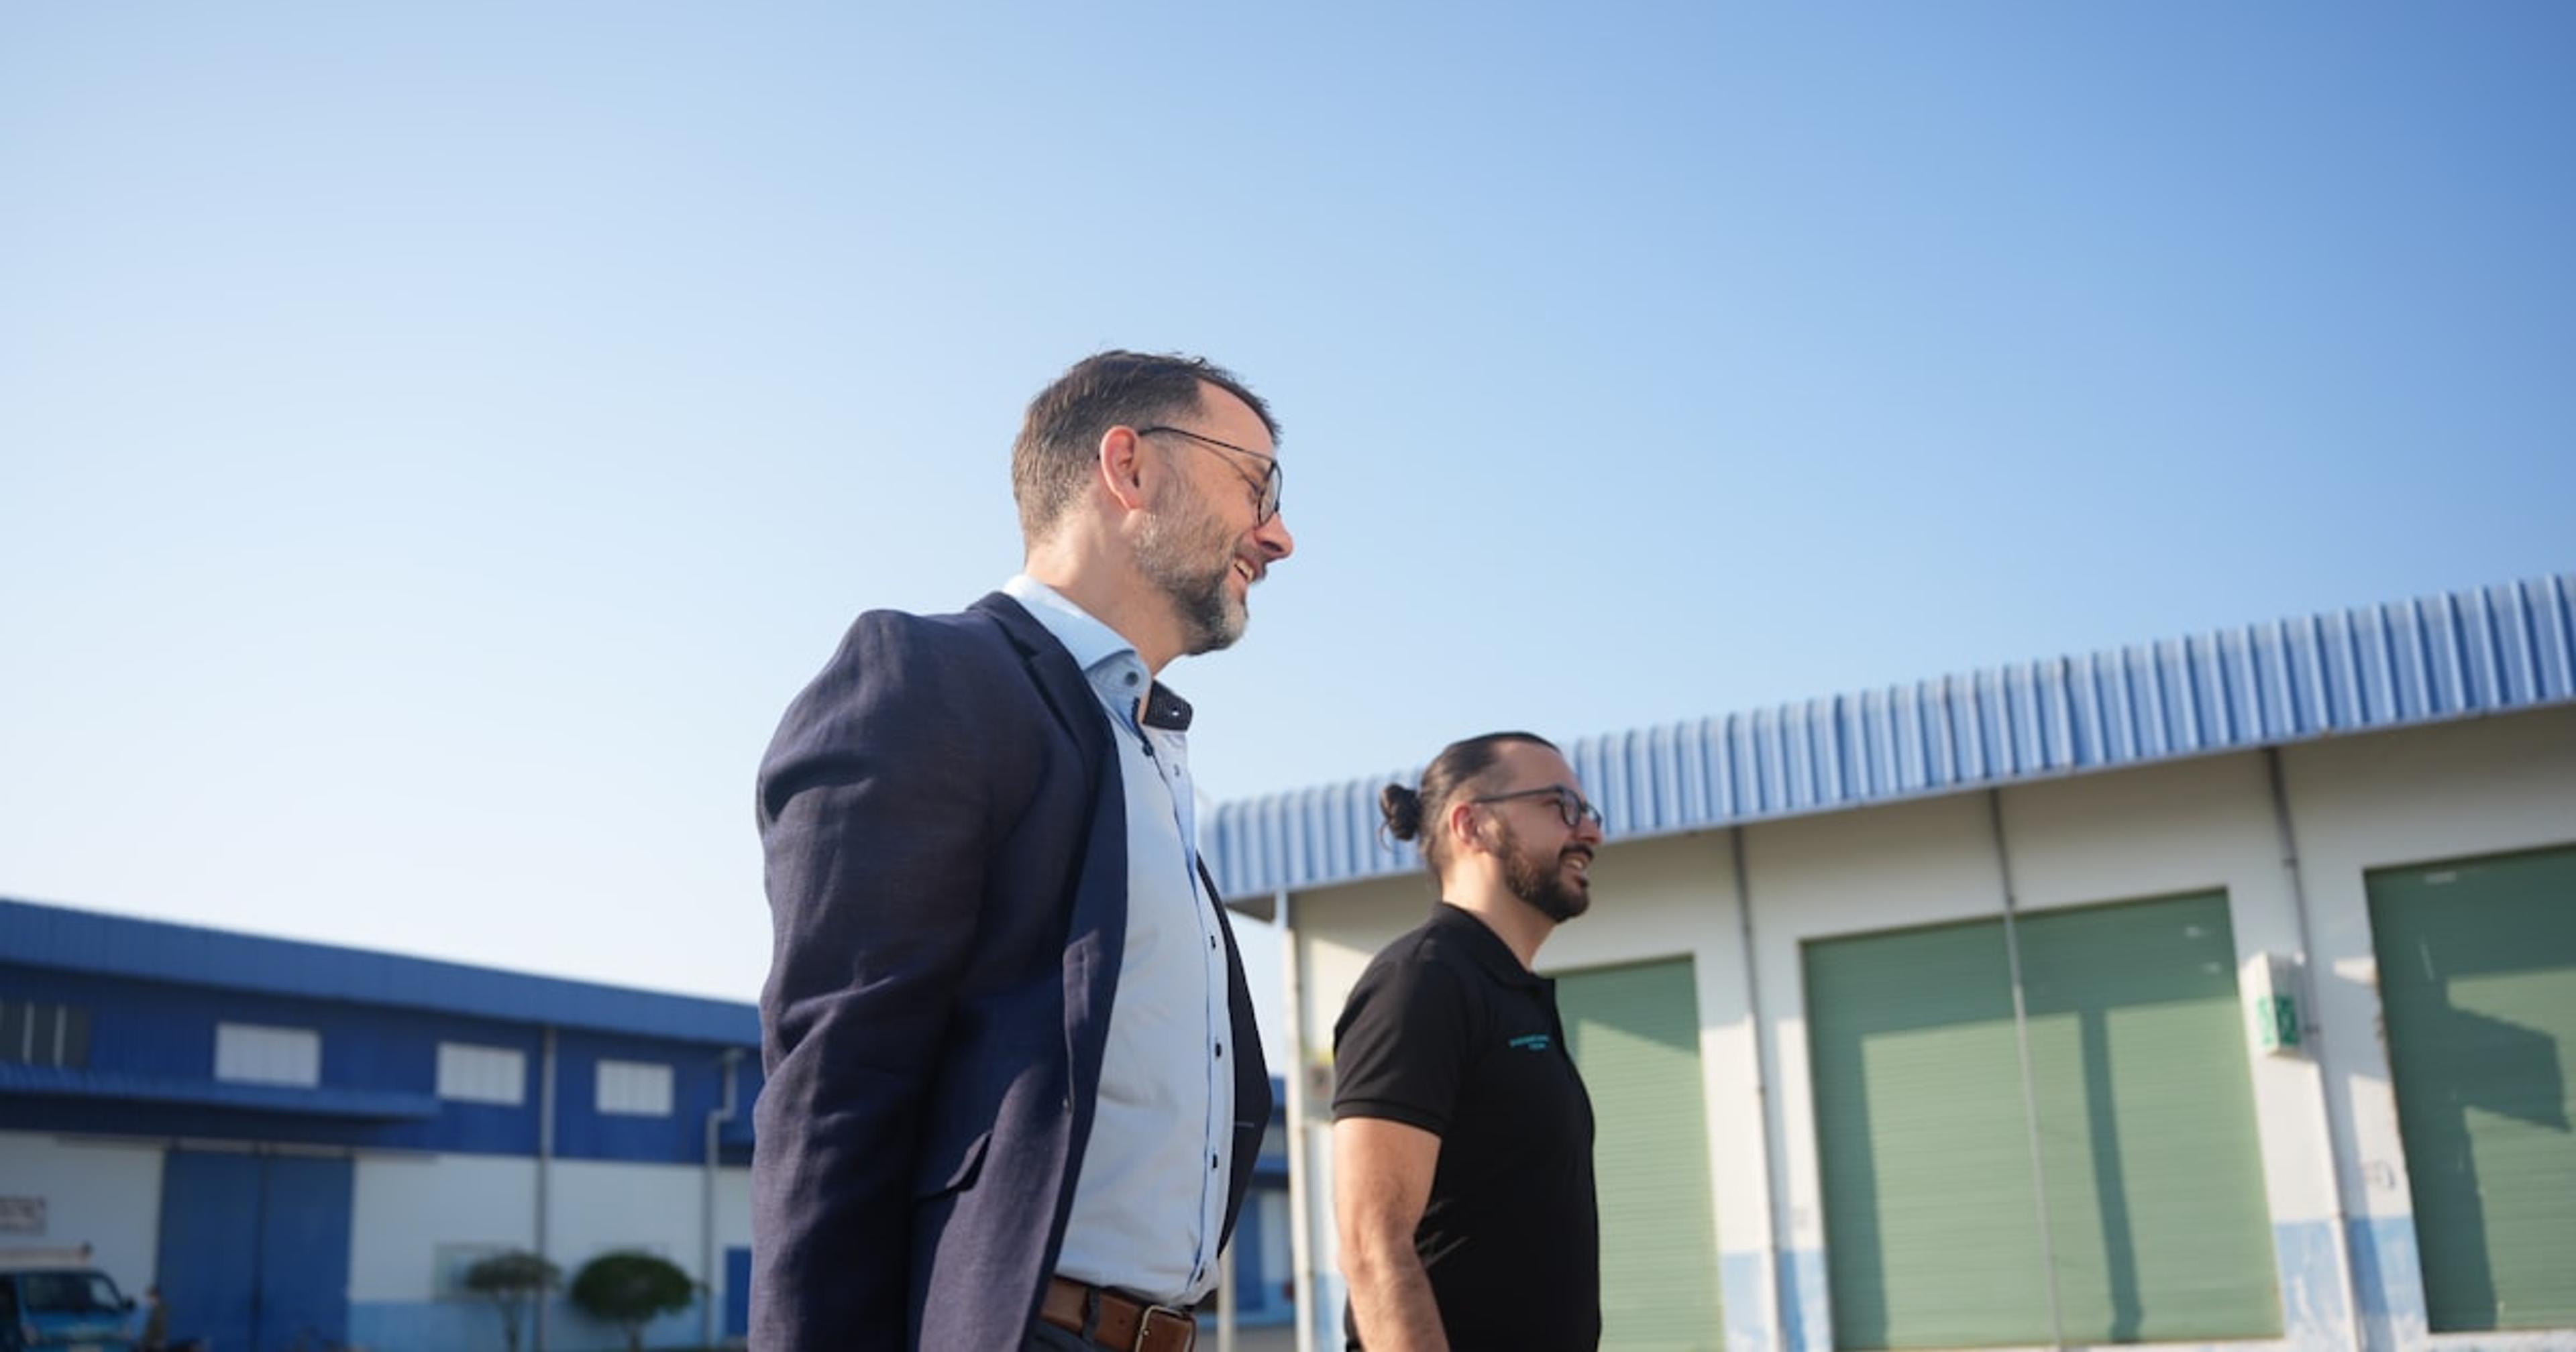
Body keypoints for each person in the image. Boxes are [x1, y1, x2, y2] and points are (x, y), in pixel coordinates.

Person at [754, 351, 1292, 1351]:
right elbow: (837, 1087)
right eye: (1257, 486)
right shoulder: (931, 679)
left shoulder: (1139, 740)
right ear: (1128, 468)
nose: (1280, 536)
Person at [1331, 732, 1607, 1351]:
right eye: (1562, 805)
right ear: (1472, 825)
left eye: (1590, 812)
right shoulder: (1422, 982)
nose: (1589, 832)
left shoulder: (1511, 994)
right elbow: (1373, 1243)